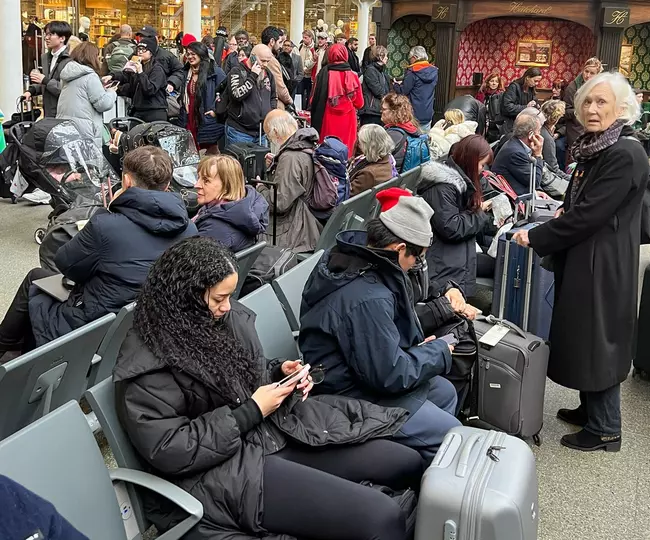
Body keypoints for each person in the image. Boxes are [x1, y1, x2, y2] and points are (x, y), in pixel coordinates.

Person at [115, 237, 423, 540]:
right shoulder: (148, 363)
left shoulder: (217, 319)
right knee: (383, 516)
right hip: (224, 472)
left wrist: (279, 373)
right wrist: (251, 411)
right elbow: (169, 448)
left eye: (230, 296)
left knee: (405, 462)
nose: (227, 307)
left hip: (269, 433)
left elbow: (244, 372)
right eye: (219, 299)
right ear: (186, 296)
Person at [511, 72, 648, 453]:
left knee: (598, 339)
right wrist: (561, 210)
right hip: (589, 255)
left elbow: (590, 214)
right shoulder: (599, 146)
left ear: (622, 108)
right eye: (587, 101)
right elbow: (579, 201)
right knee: (587, 335)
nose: (592, 108)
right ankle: (591, 410)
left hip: (602, 261)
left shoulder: (624, 152)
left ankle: (605, 428)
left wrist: (537, 236)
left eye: (602, 102)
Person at [299, 197, 460, 460]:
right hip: (349, 393)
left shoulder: (350, 258)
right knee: (451, 435)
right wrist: (439, 351)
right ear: (399, 249)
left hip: (355, 374)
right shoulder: (368, 296)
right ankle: (415, 472)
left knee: (445, 392)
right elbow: (389, 375)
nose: (415, 265)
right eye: (417, 258)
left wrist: (420, 351)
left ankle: (417, 463)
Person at [0, 147, 197, 358]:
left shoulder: (105, 225)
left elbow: (66, 264)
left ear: (127, 181)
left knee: (35, 279)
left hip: (95, 327)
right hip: (147, 322)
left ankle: (5, 348)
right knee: (40, 278)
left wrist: (109, 211)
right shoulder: (190, 230)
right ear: (167, 185)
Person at [416, 135, 494, 296]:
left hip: (452, 259)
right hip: (442, 265)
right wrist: (480, 213)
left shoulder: (461, 182)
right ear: (471, 162)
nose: (483, 169)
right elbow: (451, 227)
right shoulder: (442, 187)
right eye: (482, 164)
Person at [262, 110, 322, 252]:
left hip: (295, 231)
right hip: (307, 221)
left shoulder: (290, 158)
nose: (270, 140)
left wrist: (260, 188)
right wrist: (276, 164)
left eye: (268, 136)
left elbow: (279, 203)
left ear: (275, 132)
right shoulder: (306, 145)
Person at [193, 155, 268, 253]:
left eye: (206, 181)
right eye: (198, 178)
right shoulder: (243, 208)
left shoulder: (214, 230)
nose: (196, 185)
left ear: (226, 187)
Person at [492, 108, 568, 197]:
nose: (540, 133)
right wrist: (538, 155)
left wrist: (537, 192)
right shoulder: (516, 153)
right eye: (539, 130)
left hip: (521, 193)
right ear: (531, 134)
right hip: (516, 200)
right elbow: (534, 181)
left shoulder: (516, 144)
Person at [56, 41, 116, 148]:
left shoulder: (67, 74)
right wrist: (111, 92)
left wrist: (100, 86)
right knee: (88, 158)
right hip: (85, 130)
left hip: (67, 127)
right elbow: (103, 104)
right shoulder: (90, 76)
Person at [310, 43, 364, 152]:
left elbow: (313, 100)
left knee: (327, 151)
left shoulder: (323, 74)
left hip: (327, 118)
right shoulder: (353, 75)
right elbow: (360, 103)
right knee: (346, 152)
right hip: (348, 120)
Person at [103, 36, 168, 122]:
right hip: (138, 111)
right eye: (138, 49)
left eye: (144, 50)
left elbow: (150, 89)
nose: (140, 52)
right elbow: (126, 76)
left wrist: (140, 72)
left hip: (154, 112)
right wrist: (112, 76)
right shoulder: (136, 65)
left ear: (151, 52)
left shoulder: (157, 69)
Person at [178, 41, 226, 153]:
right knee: (190, 149)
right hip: (189, 115)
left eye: (193, 54)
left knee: (209, 151)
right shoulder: (186, 72)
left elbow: (225, 93)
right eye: (188, 54)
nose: (190, 57)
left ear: (201, 54)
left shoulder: (215, 71)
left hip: (205, 117)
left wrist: (215, 110)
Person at [225, 45, 277, 147]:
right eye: (262, 61)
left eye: (268, 61)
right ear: (252, 57)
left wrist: (270, 114)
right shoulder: (237, 71)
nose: (265, 64)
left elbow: (273, 97)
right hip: (240, 131)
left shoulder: (268, 73)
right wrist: (253, 76)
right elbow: (237, 95)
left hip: (261, 132)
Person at [24, 20, 72, 118]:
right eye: (46, 34)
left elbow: (67, 90)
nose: (46, 38)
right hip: (48, 112)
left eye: (51, 34)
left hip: (64, 114)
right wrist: (32, 90)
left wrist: (45, 80)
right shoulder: (46, 57)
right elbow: (46, 85)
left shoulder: (71, 60)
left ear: (62, 38)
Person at [562, 57, 603, 161]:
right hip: (576, 128)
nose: (587, 75)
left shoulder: (600, 87)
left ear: (597, 74)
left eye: (592, 73)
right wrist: (580, 111)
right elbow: (565, 111)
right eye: (586, 71)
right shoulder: (573, 87)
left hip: (594, 127)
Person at [394, 46, 439, 133]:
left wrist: (396, 85)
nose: (410, 60)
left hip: (413, 114)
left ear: (414, 57)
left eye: (410, 58)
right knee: (424, 139)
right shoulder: (434, 71)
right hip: (428, 113)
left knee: (412, 139)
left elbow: (403, 91)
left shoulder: (412, 71)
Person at [349, 124, 397, 196]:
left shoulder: (369, 174)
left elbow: (346, 194)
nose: (358, 145)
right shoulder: (387, 159)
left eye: (360, 142)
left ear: (369, 146)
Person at [135, 25, 185, 94]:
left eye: (146, 37)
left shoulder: (166, 56)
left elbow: (180, 70)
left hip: (160, 94)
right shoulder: (136, 54)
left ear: (155, 39)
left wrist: (171, 82)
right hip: (139, 95)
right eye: (140, 37)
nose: (142, 40)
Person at [382, 93, 424, 172]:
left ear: (394, 112)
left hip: (393, 176)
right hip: (408, 175)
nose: (381, 111)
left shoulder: (392, 135)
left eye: (384, 109)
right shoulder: (414, 128)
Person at [261, 26, 293, 109]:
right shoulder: (270, 60)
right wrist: (290, 100)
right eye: (280, 42)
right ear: (272, 41)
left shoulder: (257, 55)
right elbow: (279, 87)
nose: (281, 46)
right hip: (271, 104)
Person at [502, 67, 542, 133]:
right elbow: (507, 107)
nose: (537, 83)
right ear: (527, 77)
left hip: (525, 123)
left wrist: (537, 106)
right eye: (535, 81)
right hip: (512, 124)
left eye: (538, 81)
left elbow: (535, 102)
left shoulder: (531, 88)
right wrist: (526, 107)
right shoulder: (514, 87)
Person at [540, 99, 571, 182]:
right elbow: (553, 168)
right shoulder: (547, 138)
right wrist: (570, 179)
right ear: (556, 119)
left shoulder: (540, 128)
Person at [360, 45, 392, 126]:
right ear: (380, 56)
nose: (387, 58)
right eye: (385, 56)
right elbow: (378, 91)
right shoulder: (370, 71)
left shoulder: (382, 72)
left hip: (379, 109)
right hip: (371, 111)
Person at [299, 29, 317, 102]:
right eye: (303, 37)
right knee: (300, 95)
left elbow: (313, 62)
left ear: (311, 37)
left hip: (310, 76)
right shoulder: (301, 47)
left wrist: (305, 68)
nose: (303, 39)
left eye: (305, 37)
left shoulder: (315, 48)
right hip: (301, 76)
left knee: (309, 96)